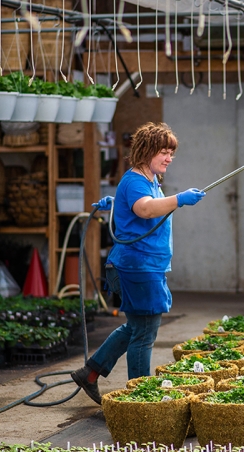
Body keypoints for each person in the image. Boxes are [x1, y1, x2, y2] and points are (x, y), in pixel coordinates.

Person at [71, 122, 206, 404]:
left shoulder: (149, 180)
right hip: (137, 266)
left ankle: (91, 373)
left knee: (135, 327)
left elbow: (140, 204)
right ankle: (140, 395)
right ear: (147, 151)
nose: (169, 158)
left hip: (143, 265)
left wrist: (118, 200)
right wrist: (179, 199)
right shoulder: (135, 181)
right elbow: (144, 209)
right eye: (164, 152)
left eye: (172, 153)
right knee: (145, 332)